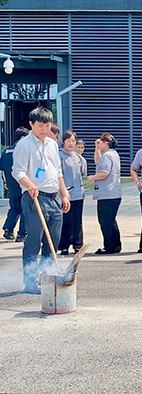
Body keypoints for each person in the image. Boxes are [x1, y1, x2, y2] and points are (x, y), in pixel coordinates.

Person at [12, 107, 71, 294]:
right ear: (31, 124)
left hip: (54, 198)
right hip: (35, 198)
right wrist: (30, 185)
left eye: (47, 125)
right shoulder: (24, 145)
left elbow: (58, 172)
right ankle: (30, 282)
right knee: (34, 241)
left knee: (52, 241)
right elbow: (17, 172)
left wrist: (64, 194)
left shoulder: (52, 144)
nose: (44, 129)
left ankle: (48, 278)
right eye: (40, 125)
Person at [87, 133, 122, 255]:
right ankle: (116, 245)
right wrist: (97, 148)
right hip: (114, 193)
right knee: (111, 220)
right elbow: (98, 161)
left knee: (105, 221)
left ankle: (109, 246)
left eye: (100, 142)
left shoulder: (107, 156)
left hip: (107, 193)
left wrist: (92, 177)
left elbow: (104, 173)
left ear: (106, 143)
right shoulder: (113, 154)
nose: (98, 143)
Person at [58, 130, 87, 255]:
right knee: (66, 220)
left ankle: (77, 244)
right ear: (63, 142)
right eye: (68, 141)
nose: (71, 143)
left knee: (77, 220)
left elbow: (83, 173)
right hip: (65, 194)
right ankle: (64, 245)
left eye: (73, 141)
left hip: (78, 193)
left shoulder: (78, 157)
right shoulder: (59, 156)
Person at [1, 127, 29, 242]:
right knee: (26, 210)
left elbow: (2, 170)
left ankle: (8, 229)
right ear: (22, 138)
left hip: (12, 186)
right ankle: (22, 234)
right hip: (23, 184)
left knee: (14, 208)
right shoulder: (23, 149)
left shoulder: (7, 151)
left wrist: (6, 182)